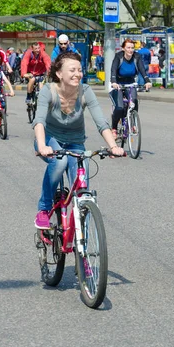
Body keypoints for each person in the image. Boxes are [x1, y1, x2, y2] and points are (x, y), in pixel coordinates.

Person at [32, 52, 124, 229]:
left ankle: (83, 247)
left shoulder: (86, 91)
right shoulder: (48, 91)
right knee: (59, 163)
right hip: (50, 140)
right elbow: (39, 121)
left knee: (82, 191)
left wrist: (113, 146)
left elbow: (101, 122)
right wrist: (42, 146)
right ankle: (44, 209)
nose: (77, 74)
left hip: (75, 142)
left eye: (80, 70)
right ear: (59, 74)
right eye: (72, 70)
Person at [109, 38, 152, 139]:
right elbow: (113, 70)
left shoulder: (137, 56)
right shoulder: (118, 56)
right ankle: (114, 128)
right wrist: (114, 82)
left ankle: (133, 123)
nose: (130, 50)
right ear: (123, 48)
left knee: (134, 101)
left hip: (131, 82)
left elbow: (142, 69)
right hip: (119, 83)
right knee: (119, 107)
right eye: (128, 48)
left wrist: (147, 81)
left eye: (132, 48)